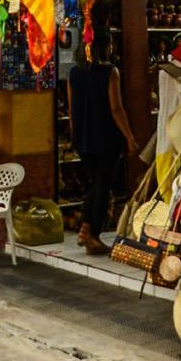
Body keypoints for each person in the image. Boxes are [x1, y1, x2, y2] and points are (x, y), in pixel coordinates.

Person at [67, 34, 137, 255]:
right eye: (110, 43)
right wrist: (129, 137)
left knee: (94, 184)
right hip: (106, 136)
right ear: (103, 47)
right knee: (102, 185)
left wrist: (75, 136)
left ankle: (86, 229)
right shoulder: (110, 72)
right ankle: (92, 233)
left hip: (83, 137)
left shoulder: (73, 73)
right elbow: (116, 108)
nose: (112, 47)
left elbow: (71, 109)